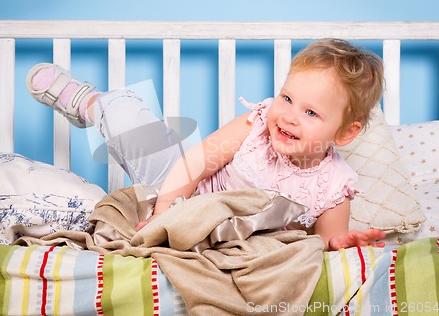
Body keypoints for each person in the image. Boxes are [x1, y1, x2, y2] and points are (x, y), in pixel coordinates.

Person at [26, 39, 386, 251]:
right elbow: (197, 161)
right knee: (128, 118)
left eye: (310, 112)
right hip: (183, 189)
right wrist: (163, 209)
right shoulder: (257, 124)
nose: (289, 116)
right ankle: (91, 103)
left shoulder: (334, 186)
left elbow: (325, 244)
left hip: (232, 244)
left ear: (345, 134)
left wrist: (341, 246)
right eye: (287, 98)